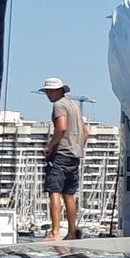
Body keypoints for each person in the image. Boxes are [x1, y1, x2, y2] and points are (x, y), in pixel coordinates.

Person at [39, 78, 85, 241]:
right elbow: (85, 133)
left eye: (50, 91)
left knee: (55, 192)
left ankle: (55, 232)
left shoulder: (59, 105)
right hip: (75, 155)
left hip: (61, 155)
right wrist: (78, 147)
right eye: (47, 92)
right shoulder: (75, 106)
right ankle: (72, 231)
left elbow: (62, 127)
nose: (48, 95)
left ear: (60, 91)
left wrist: (50, 146)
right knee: (69, 194)